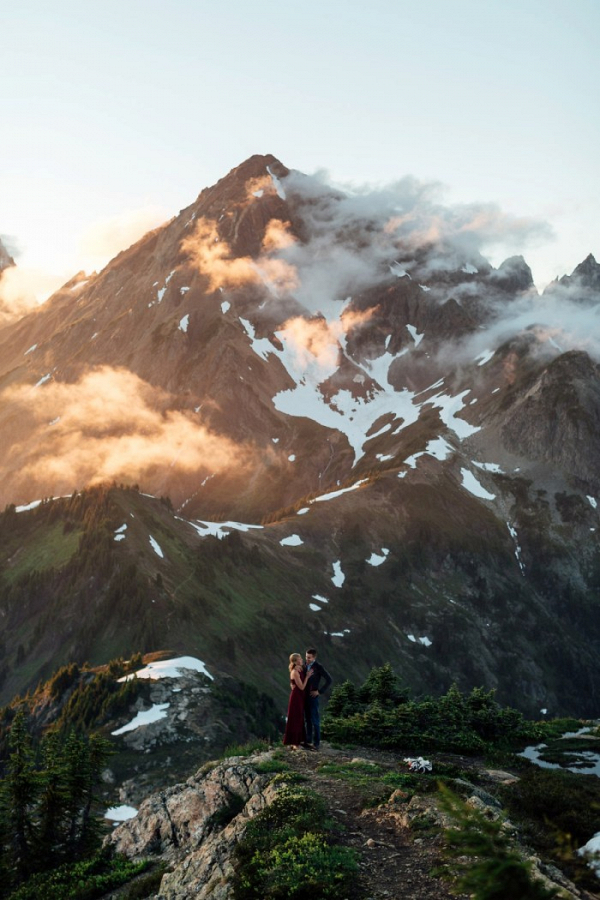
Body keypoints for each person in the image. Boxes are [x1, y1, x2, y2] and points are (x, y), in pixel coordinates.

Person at [304, 647, 332, 751]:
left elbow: (329, 680)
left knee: (315, 719)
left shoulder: (318, 667)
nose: (307, 659)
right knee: (307, 719)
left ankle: (316, 743)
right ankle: (308, 740)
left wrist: (319, 692)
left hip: (313, 696)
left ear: (314, 657)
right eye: (306, 657)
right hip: (304, 696)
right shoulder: (304, 665)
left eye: (309, 658)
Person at [282, 652, 311, 749]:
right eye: (300, 659)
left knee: (299, 718)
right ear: (295, 661)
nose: (301, 660)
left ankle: (299, 740)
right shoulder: (294, 672)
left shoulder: (299, 669)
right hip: (296, 697)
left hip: (300, 697)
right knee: (295, 718)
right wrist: (307, 676)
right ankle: (294, 742)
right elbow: (302, 687)